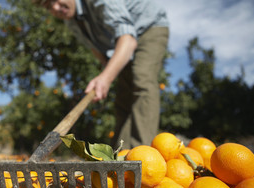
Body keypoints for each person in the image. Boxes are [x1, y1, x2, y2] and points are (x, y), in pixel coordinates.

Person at [34, 0, 169, 149]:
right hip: (122, 44)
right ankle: (121, 156)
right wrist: (106, 73)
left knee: (141, 80)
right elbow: (96, 48)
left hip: (148, 28)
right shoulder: (71, 22)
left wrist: (106, 77)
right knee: (123, 99)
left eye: (54, 0)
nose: (55, 8)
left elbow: (128, 40)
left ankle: (142, 155)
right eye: (48, 6)